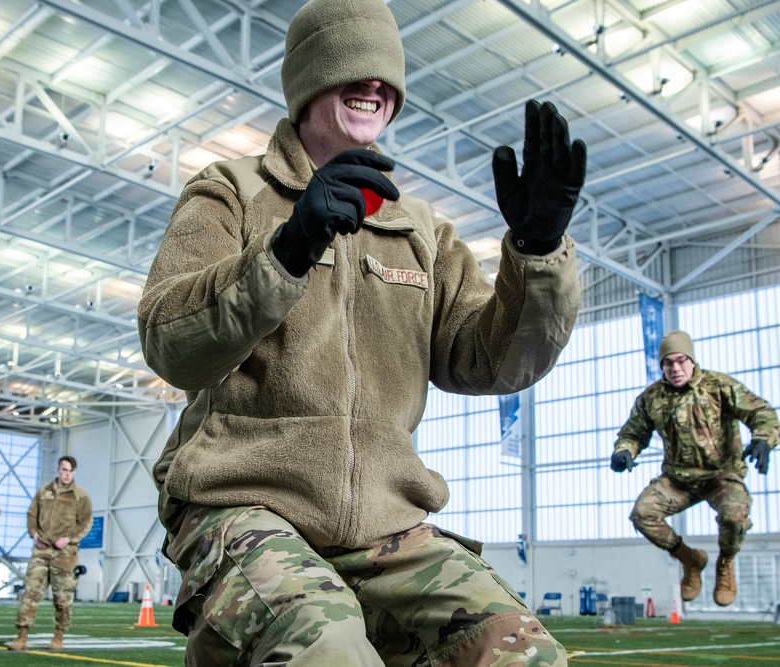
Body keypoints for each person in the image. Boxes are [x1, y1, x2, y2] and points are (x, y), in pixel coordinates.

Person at [136, 0, 586, 662]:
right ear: (309, 81)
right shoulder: (231, 191)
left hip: (385, 521)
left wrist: (538, 252)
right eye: (354, 68)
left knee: (526, 655)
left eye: (388, 79)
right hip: (242, 501)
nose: (376, 86)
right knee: (326, 644)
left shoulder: (421, 229)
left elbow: (492, 362)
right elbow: (169, 342)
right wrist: (287, 249)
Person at [611, 330, 778, 607]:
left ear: (691, 360)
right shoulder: (652, 398)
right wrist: (623, 452)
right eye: (669, 363)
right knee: (642, 514)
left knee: (735, 517)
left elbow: (761, 413)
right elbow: (633, 433)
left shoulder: (719, 386)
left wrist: (763, 439)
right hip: (678, 480)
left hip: (722, 476)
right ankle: (691, 560)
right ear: (662, 365)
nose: (676, 369)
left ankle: (725, 563)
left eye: (681, 361)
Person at [8, 456, 92, 652]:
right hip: (41, 550)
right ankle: (21, 637)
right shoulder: (43, 492)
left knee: (62, 598)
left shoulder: (80, 497)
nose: (66, 474)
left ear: (74, 472)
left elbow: (86, 522)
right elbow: (31, 514)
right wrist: (34, 533)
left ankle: (58, 636)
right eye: (63, 469)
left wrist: (69, 538)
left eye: (70, 471)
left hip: (65, 553)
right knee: (30, 593)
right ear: (58, 469)